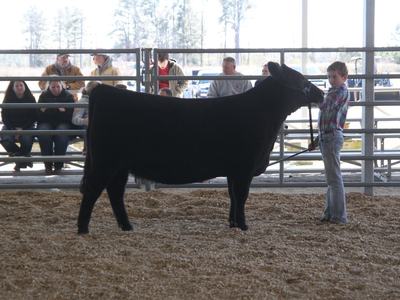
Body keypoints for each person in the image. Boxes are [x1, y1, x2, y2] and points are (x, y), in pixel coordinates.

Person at [309, 61, 350, 224]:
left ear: (344, 77)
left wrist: (313, 95)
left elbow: (325, 107)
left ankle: (339, 216)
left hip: (332, 137)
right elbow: (326, 120)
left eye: (334, 76)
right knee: (332, 179)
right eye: (329, 77)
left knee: (334, 179)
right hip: (327, 137)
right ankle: (330, 213)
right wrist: (316, 140)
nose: (331, 80)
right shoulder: (333, 91)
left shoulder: (340, 91)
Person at [37, 78, 75, 174]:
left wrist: (48, 110)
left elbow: (70, 115)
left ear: (62, 86)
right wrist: (60, 110)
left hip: (63, 122)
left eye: (58, 86)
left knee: (62, 134)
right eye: (53, 87)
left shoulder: (68, 96)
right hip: (46, 122)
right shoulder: (44, 95)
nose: (56, 89)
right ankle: (48, 165)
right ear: (48, 87)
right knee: (43, 133)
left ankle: (58, 165)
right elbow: (39, 114)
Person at [0, 81, 37, 171]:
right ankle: (24, 159)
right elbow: (4, 117)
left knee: (26, 140)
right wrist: (13, 130)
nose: (19, 87)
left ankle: (20, 162)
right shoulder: (8, 99)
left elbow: (33, 117)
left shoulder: (30, 98)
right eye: (16, 86)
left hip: (27, 126)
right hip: (11, 126)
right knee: (5, 139)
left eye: (21, 85)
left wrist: (22, 129)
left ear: (25, 86)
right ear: (12, 88)